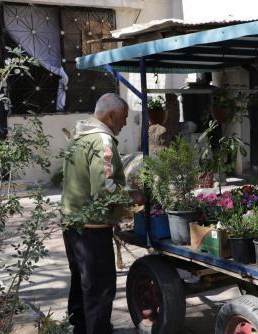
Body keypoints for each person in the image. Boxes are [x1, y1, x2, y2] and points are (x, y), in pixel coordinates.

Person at [61, 93, 142, 334]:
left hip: (72, 225)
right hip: (92, 230)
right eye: (124, 118)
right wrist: (133, 196)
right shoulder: (102, 140)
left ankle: (80, 329)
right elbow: (104, 187)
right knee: (99, 289)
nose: (125, 123)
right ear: (111, 115)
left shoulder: (79, 136)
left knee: (82, 283)